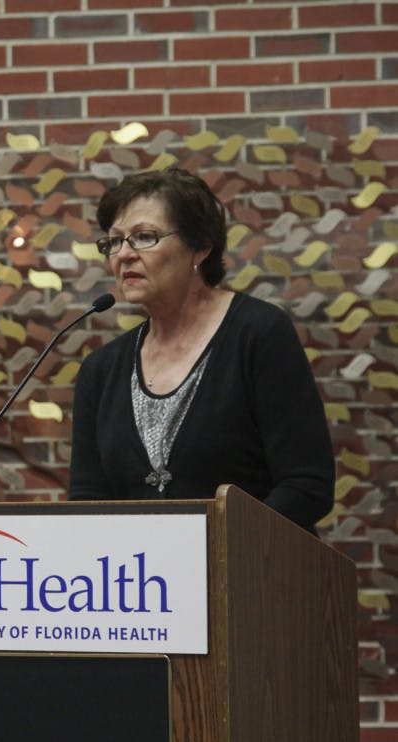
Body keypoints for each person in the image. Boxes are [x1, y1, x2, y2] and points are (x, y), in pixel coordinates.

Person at [68, 166, 335, 532]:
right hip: (140, 582)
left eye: (143, 237)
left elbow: (307, 486)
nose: (123, 255)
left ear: (200, 247)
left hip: (253, 577)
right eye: (114, 241)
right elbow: (87, 503)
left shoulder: (258, 334)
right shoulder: (101, 369)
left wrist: (213, 553)